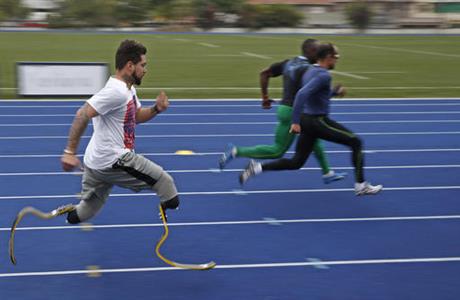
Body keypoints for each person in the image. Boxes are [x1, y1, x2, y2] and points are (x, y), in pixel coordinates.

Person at [59, 39, 179, 223]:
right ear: (130, 66)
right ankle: (166, 208)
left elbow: (136, 116)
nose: (145, 70)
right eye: (142, 65)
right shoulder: (117, 92)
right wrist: (69, 152)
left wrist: (156, 109)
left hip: (95, 162)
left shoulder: (127, 90)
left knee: (84, 212)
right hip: (114, 160)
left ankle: (68, 214)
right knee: (167, 186)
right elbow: (82, 114)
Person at [239, 43, 382, 196]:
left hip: (306, 120)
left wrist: (333, 93)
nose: (337, 61)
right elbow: (302, 94)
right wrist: (294, 122)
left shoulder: (310, 71)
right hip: (317, 121)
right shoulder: (323, 75)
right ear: (328, 57)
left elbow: (316, 94)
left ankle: (257, 168)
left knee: (296, 162)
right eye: (336, 57)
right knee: (356, 142)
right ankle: (361, 185)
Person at [219, 39, 346, 184]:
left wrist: (265, 97)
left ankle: (327, 173)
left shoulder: (288, 63)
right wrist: (334, 92)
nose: (320, 55)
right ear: (310, 52)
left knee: (314, 139)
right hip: (295, 112)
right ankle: (236, 151)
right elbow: (311, 93)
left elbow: (264, 73)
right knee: (277, 151)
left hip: (285, 109)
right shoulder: (310, 69)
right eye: (318, 52)